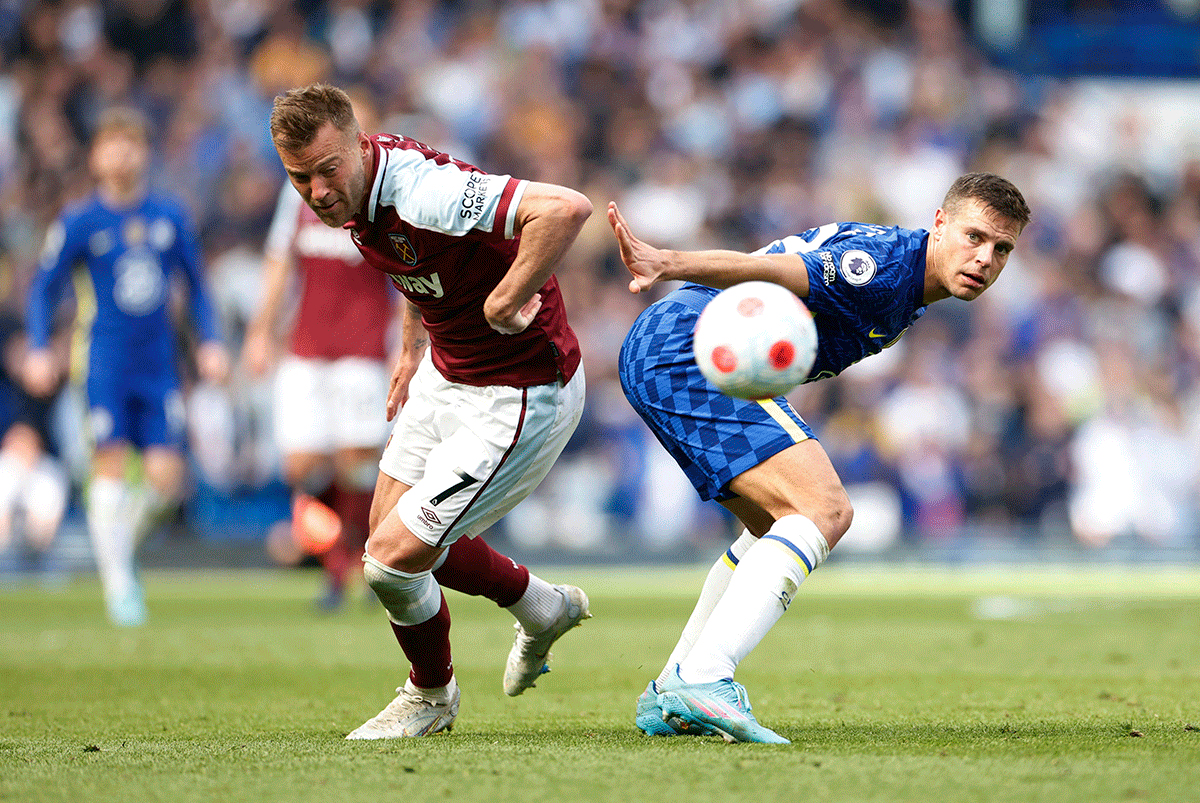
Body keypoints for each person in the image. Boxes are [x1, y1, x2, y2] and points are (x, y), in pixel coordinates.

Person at [611, 172, 1030, 743]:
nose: (984, 258)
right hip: (688, 346)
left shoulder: (908, 285)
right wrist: (672, 263)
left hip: (674, 348)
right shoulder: (884, 269)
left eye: (1000, 248)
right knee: (825, 510)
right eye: (974, 237)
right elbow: (781, 273)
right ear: (938, 223)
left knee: (770, 526)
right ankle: (703, 677)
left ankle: (669, 691)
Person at [269, 83, 592, 739]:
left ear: (359, 145)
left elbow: (564, 209)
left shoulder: (422, 190)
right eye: (301, 178)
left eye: (328, 170)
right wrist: (413, 344)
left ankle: (431, 695)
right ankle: (542, 606)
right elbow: (424, 259)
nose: (319, 190)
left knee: (392, 557)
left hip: (520, 387)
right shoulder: (355, 201)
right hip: (448, 370)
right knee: (394, 544)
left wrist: (505, 300)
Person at [24, 107, 230, 626]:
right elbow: (41, 290)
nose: (122, 154)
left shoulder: (170, 215)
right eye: (112, 144)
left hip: (159, 364)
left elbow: (198, 287)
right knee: (110, 466)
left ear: (145, 153)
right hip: (103, 361)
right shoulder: (79, 221)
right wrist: (37, 345)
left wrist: (209, 342)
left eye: (132, 144)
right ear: (95, 157)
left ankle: (116, 558)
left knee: (166, 482)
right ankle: (120, 587)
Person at [243, 92, 396, 613]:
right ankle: (346, 557)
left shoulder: (385, 193)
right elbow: (279, 261)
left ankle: (344, 572)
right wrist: (260, 332)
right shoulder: (303, 192)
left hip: (362, 348)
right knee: (301, 466)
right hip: (306, 346)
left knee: (358, 461)